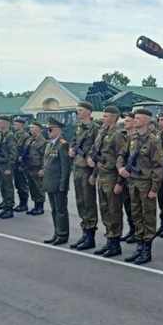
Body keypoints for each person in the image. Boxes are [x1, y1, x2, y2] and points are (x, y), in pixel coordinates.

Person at [118, 108, 163, 265]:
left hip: (146, 183)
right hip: (133, 182)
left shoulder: (153, 140)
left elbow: (158, 166)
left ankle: (146, 250)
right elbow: (122, 156)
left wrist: (154, 188)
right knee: (136, 215)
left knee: (148, 217)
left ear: (146, 120)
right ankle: (139, 246)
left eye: (138, 118)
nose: (134, 120)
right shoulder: (133, 138)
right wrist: (121, 168)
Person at [90, 106, 128, 258]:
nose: (103, 118)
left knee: (114, 211)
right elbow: (97, 153)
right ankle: (109, 239)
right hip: (102, 175)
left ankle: (115, 243)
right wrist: (94, 174)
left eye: (106, 116)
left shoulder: (118, 135)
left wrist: (120, 182)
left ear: (114, 117)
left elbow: (121, 158)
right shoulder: (102, 132)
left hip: (112, 176)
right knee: (105, 209)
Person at [70, 102, 100, 250]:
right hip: (77, 167)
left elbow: (97, 149)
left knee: (89, 202)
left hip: (87, 169)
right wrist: (71, 149)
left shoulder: (95, 129)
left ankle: (90, 235)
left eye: (80, 110)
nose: (78, 113)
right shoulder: (79, 127)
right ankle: (85, 231)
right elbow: (74, 142)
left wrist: (94, 173)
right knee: (80, 201)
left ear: (88, 111)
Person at [42, 119, 72, 246]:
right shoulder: (49, 144)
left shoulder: (62, 144)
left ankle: (62, 234)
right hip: (50, 183)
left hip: (58, 183)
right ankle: (56, 232)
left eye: (50, 129)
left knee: (60, 210)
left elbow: (66, 167)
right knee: (54, 210)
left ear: (58, 130)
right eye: (47, 129)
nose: (48, 132)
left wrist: (63, 185)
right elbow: (47, 164)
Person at [0, 115, 18, 219]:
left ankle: (9, 209)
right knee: (2, 186)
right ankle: (5, 206)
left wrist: (9, 167)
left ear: (5, 123)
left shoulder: (10, 136)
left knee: (8, 187)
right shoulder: (0, 134)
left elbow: (13, 153)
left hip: (6, 165)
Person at [119, 112, 138, 242]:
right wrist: (121, 169)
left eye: (127, 121)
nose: (124, 123)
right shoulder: (125, 137)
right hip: (124, 177)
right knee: (128, 206)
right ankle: (132, 230)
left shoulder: (138, 138)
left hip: (135, 177)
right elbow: (121, 156)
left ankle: (137, 232)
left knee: (135, 207)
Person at [24, 121, 47, 216]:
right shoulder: (29, 140)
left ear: (39, 129)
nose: (31, 129)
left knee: (39, 188)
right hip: (29, 166)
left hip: (37, 167)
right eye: (30, 127)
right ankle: (35, 205)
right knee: (32, 187)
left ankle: (40, 207)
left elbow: (45, 157)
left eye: (33, 127)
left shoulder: (43, 142)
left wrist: (43, 169)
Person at [12, 117, 31, 213]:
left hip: (21, 164)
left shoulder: (25, 136)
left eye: (16, 124)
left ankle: (24, 204)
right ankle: (21, 203)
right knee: (18, 184)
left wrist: (22, 163)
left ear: (21, 125)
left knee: (22, 184)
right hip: (15, 163)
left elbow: (25, 151)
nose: (14, 126)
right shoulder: (15, 135)